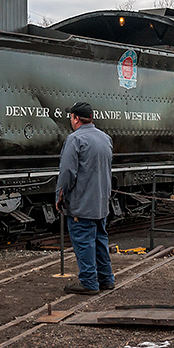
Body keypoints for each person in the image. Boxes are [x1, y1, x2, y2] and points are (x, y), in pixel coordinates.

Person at [56, 101, 115, 295]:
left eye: (70, 117)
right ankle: (106, 279)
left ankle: (89, 282)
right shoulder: (105, 138)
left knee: (84, 241)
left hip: (81, 202)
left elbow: (67, 173)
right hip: (101, 201)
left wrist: (60, 196)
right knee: (99, 240)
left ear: (75, 118)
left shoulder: (75, 140)